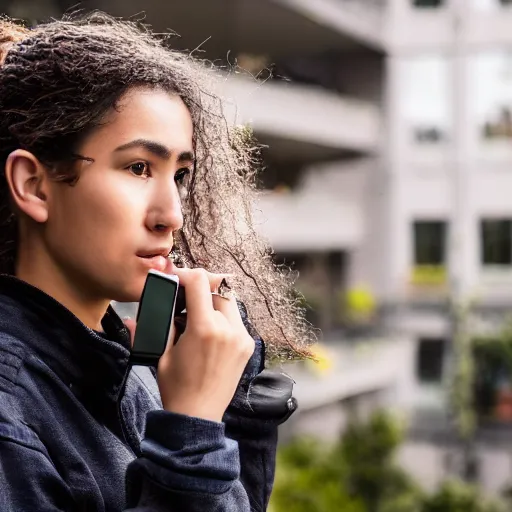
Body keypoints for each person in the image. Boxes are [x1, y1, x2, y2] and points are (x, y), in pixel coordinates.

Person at [0, 12, 314, 512]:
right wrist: (191, 434)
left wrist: (233, 411)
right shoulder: (10, 416)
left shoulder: (140, 371)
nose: (172, 216)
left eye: (181, 175)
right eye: (139, 167)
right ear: (34, 185)